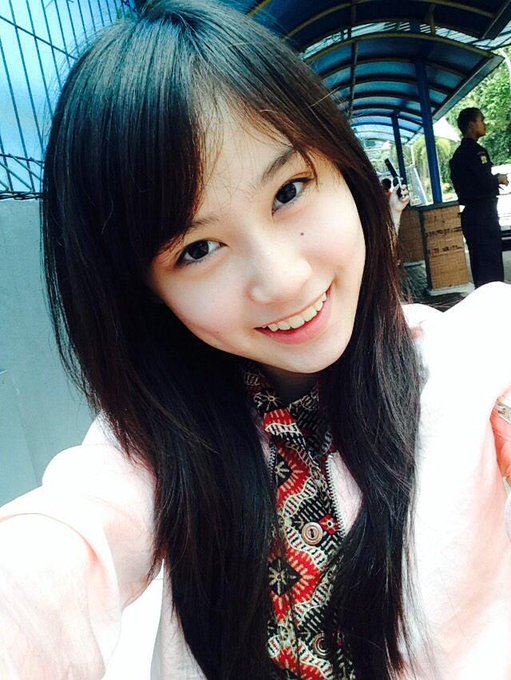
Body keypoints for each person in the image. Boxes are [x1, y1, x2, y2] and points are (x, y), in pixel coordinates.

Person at [1, 2, 511, 679]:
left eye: (290, 190)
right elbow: (55, 553)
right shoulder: (154, 447)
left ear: (343, 168)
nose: (282, 279)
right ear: (144, 294)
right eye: (198, 249)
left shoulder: (471, 356)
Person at [449, 107, 509, 287]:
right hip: (484, 216)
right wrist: (498, 179)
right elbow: (483, 181)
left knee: (479, 265)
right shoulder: (476, 152)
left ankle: (484, 296)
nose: (484, 124)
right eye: (481, 120)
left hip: (471, 216)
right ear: (471, 125)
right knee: (491, 265)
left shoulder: (458, 154)